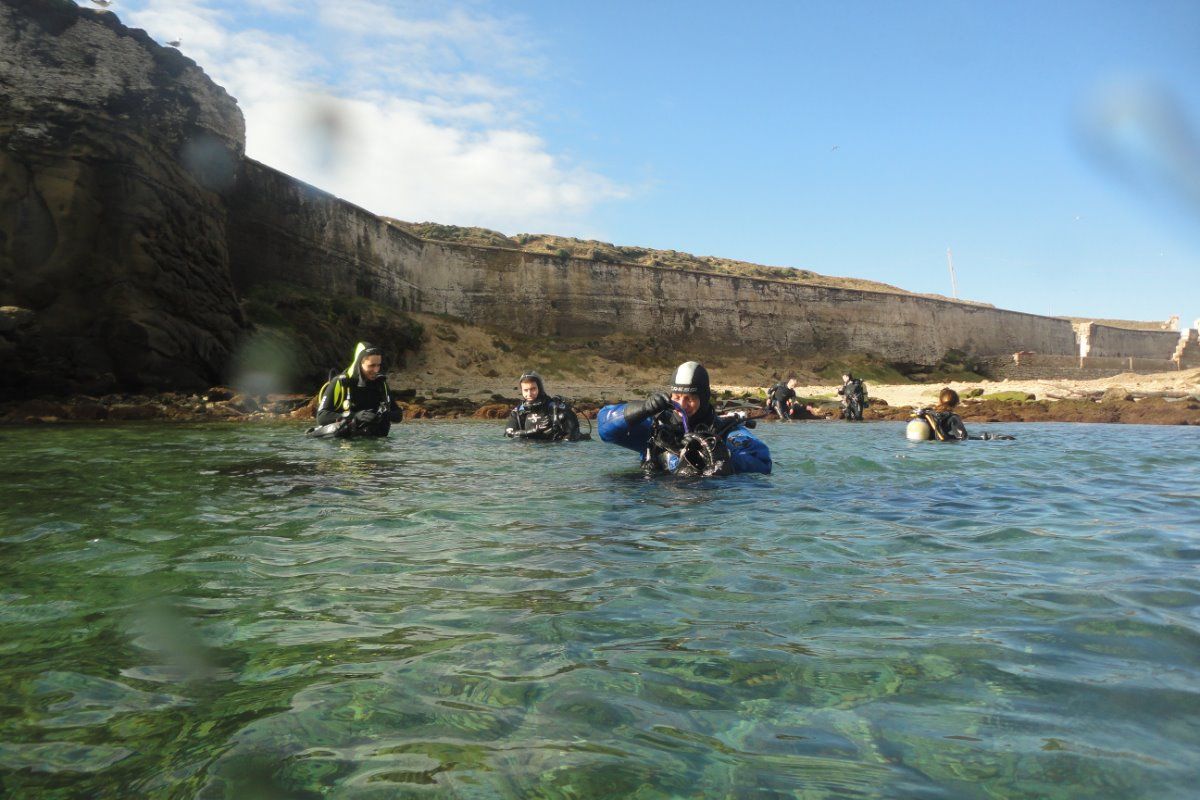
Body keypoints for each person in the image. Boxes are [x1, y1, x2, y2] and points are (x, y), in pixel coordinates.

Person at [597, 361, 771, 475]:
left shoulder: (724, 430)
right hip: (657, 500)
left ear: (703, 398)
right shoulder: (657, 428)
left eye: (690, 398)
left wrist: (723, 455)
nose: (682, 404)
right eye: (677, 397)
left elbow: (763, 462)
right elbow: (605, 429)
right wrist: (642, 409)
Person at [308, 341, 404, 437]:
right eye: (371, 365)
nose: (376, 370)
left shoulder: (380, 384)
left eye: (378, 365)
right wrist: (354, 416)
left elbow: (398, 415)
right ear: (360, 363)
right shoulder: (340, 383)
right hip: (343, 446)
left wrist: (384, 415)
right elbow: (321, 417)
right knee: (340, 428)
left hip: (372, 443)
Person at [504, 371, 587, 441]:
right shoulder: (518, 412)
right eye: (525, 390)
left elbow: (571, 438)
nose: (529, 394)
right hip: (527, 451)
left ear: (539, 388)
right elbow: (509, 432)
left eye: (533, 389)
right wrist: (533, 431)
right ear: (521, 390)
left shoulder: (554, 407)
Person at [907, 387, 1014, 441]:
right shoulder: (953, 418)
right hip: (945, 444)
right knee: (993, 438)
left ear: (940, 401)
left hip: (930, 447)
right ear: (956, 403)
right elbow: (963, 438)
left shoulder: (929, 414)